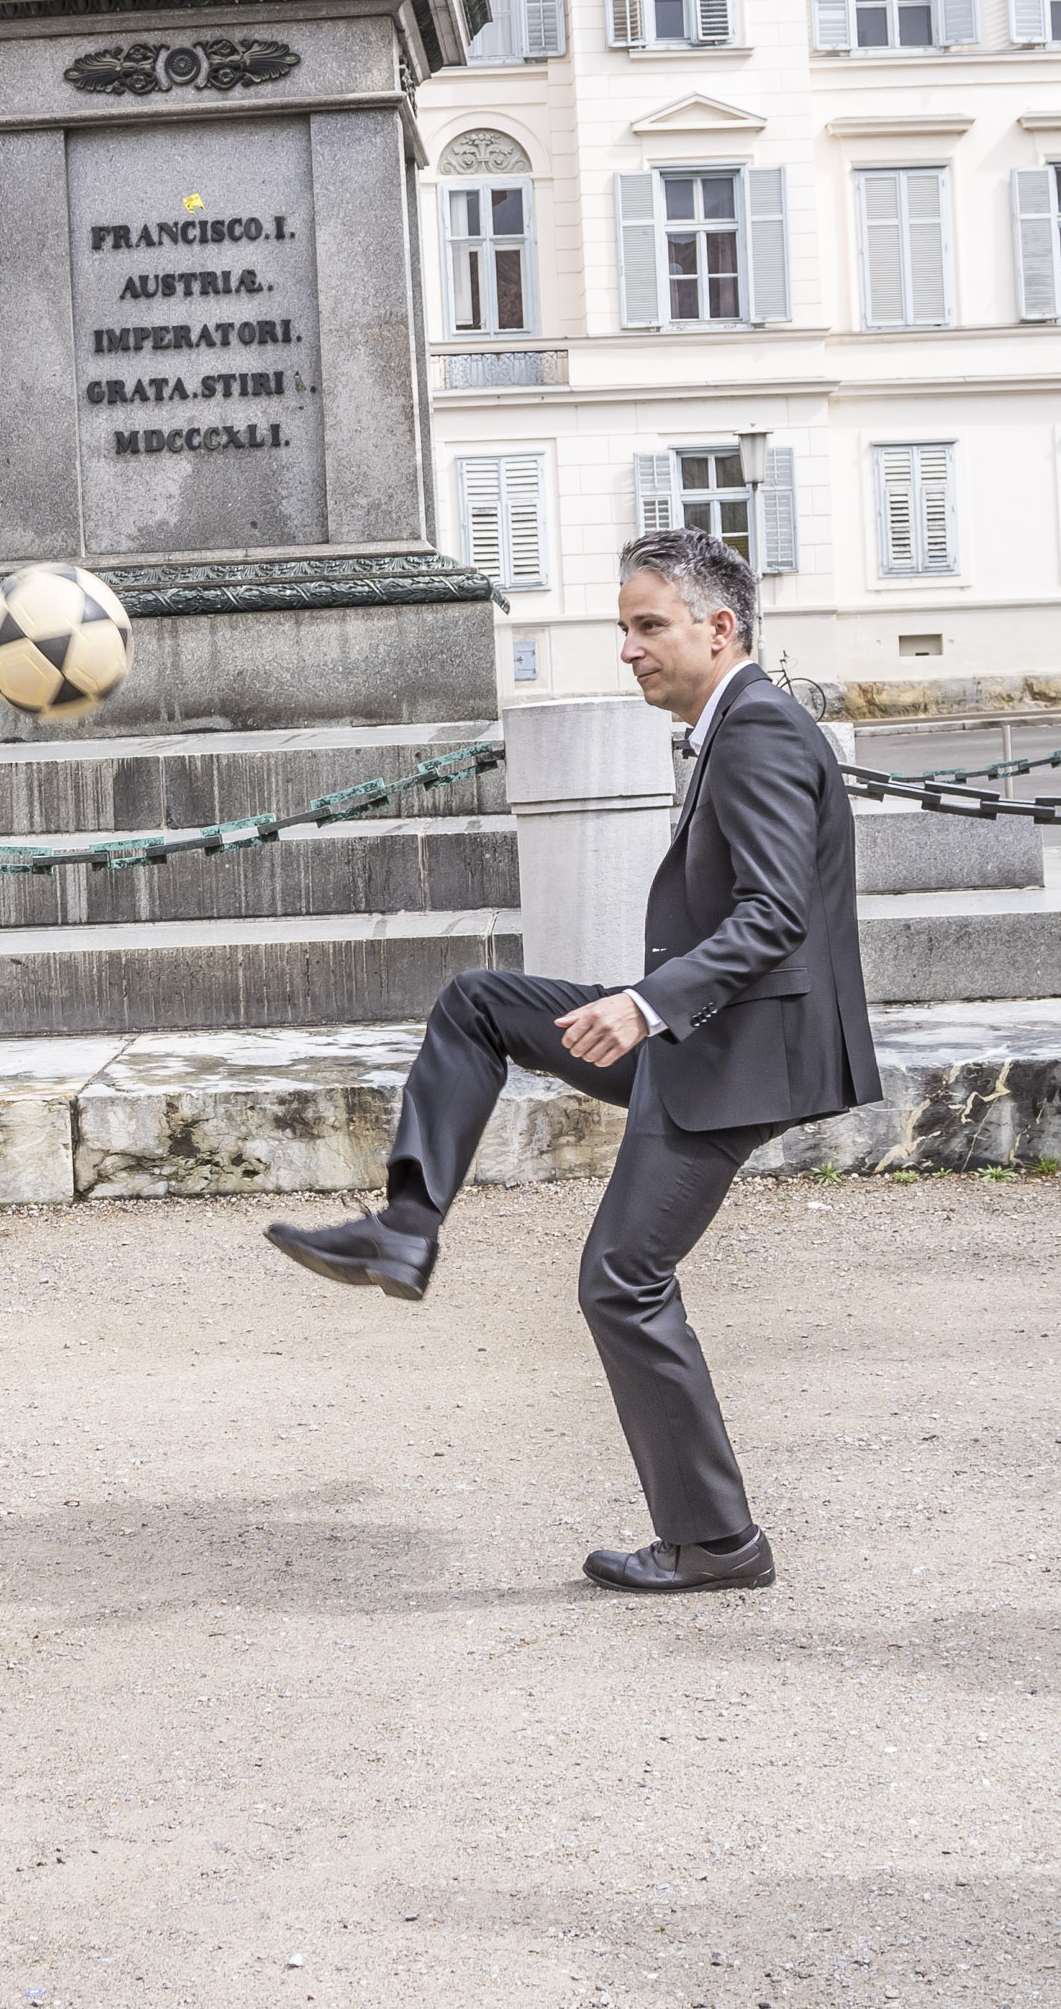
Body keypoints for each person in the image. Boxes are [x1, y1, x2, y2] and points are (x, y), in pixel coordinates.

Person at [265, 527, 879, 1595]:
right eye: (625, 628)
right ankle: (406, 1229)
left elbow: (775, 912)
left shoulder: (760, 731)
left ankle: (717, 1541)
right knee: (481, 1003)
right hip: (709, 1032)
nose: (630, 649)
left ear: (718, 625)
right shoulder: (730, 725)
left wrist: (647, 1005)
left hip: (737, 1052)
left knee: (622, 1280)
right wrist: (648, 1007)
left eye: (649, 626)